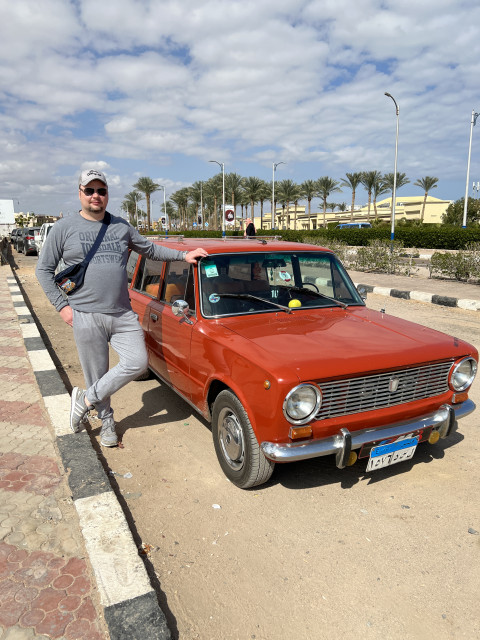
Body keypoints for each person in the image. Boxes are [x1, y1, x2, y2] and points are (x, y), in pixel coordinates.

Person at [36, 168, 208, 447]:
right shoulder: (63, 228)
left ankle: (85, 399)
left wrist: (183, 255)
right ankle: (106, 423)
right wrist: (61, 307)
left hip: (122, 313)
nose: (95, 196)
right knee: (98, 374)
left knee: (137, 361)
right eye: (89, 190)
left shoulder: (121, 226)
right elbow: (42, 270)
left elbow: (150, 249)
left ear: (107, 195)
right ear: (80, 193)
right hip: (85, 314)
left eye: (101, 191)